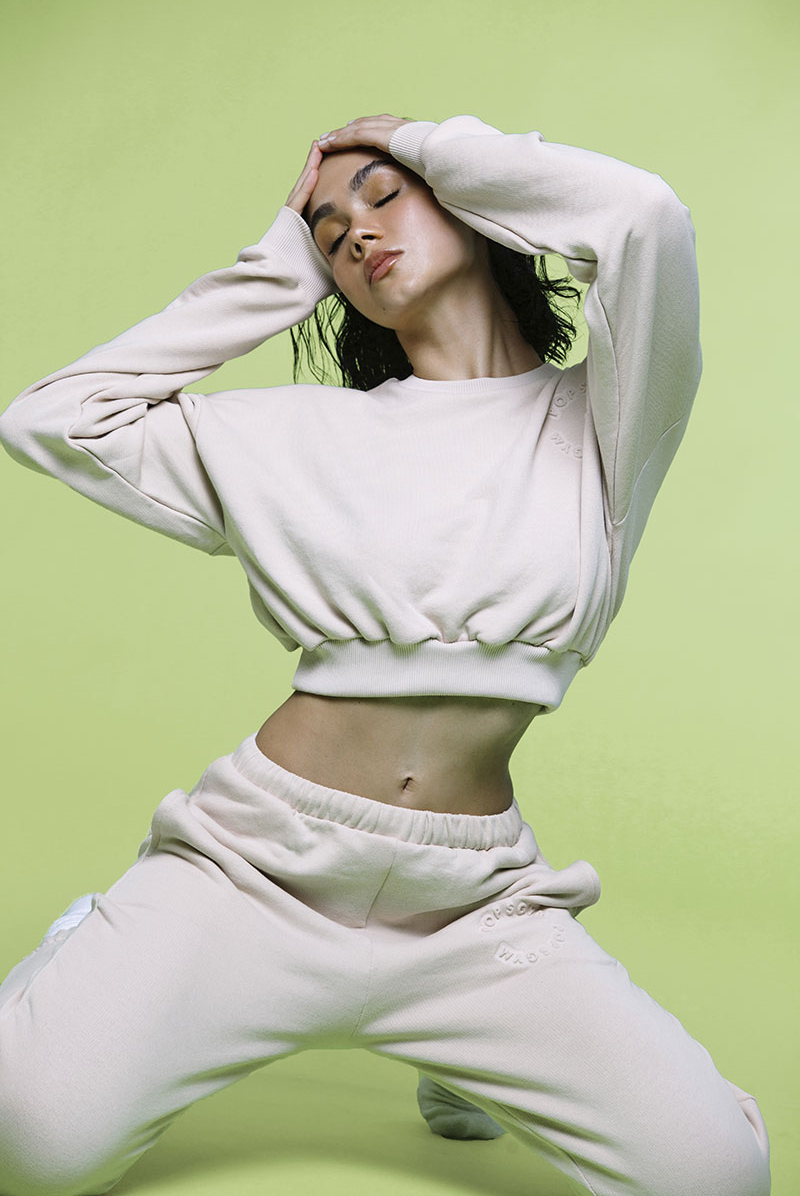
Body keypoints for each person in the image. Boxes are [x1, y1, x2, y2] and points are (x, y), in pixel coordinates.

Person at [0, 112, 771, 1196]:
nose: (354, 232)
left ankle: (460, 1051)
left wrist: (425, 139)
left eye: (385, 195)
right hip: (253, 869)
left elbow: (644, 217)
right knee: (39, 1151)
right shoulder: (293, 436)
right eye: (328, 233)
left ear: (472, 204)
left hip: (470, 908)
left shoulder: (607, 418)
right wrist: (278, 270)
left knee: (714, 1177)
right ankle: (99, 944)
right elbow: (50, 419)